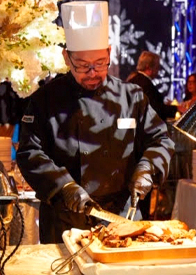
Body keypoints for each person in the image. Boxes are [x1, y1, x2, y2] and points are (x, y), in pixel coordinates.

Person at [16, 1, 174, 244]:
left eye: (100, 63)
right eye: (82, 65)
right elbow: (29, 151)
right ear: (66, 58)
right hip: (65, 217)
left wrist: (147, 168)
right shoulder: (44, 100)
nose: (92, 72)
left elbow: (160, 140)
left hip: (122, 215)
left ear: (109, 53)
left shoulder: (132, 97)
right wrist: (63, 186)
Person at [127, 51, 177, 121]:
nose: (158, 70)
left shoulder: (134, 80)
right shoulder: (145, 84)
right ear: (149, 67)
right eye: (157, 67)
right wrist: (176, 109)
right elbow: (154, 109)